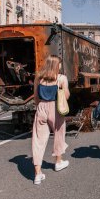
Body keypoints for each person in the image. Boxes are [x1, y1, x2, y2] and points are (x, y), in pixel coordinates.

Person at [32, 55, 70, 185]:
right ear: (56, 65)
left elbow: (35, 97)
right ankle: (58, 162)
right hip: (55, 107)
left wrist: (40, 107)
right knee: (59, 135)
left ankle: (38, 174)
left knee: (38, 140)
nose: (60, 66)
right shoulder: (61, 78)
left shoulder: (39, 78)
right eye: (59, 64)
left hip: (41, 107)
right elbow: (66, 96)